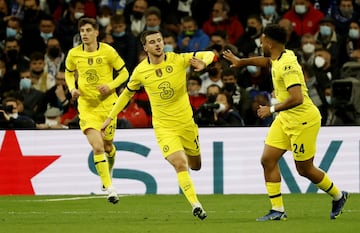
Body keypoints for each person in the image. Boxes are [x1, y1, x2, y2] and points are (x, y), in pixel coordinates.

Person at [223, 24, 348, 221]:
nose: (261, 42)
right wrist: (241, 62)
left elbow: (297, 98)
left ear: (269, 42)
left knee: (304, 169)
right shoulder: (279, 56)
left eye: (263, 39)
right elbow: (267, 62)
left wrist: (270, 109)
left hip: (303, 120)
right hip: (285, 119)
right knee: (267, 159)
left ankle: (338, 196)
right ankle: (278, 210)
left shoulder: (288, 65)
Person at [101, 30, 215, 220]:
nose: (157, 44)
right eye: (152, 42)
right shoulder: (140, 71)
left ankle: (190, 169)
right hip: (164, 127)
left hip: (186, 124)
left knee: (195, 166)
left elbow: (209, 53)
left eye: (159, 40)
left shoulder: (178, 59)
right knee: (180, 164)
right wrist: (110, 117)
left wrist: (205, 62)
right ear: (145, 47)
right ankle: (196, 205)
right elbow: (126, 94)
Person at [65, 17, 129, 204]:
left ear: (96, 32)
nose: (84, 34)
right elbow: (69, 72)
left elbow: (124, 73)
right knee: (98, 146)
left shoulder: (108, 51)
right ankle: (110, 188)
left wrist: (110, 86)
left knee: (108, 146)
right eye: (82, 31)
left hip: (109, 106)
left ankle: (108, 172)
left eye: (88, 30)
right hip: (87, 107)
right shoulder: (74, 54)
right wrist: (72, 89)